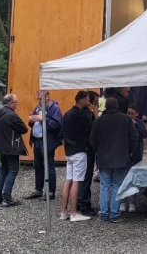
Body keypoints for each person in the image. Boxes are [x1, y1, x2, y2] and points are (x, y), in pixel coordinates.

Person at [89, 96, 139, 223]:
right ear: (117, 106)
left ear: (106, 106)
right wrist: (131, 152)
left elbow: (92, 141)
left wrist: (98, 151)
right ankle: (115, 213)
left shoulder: (99, 121)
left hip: (103, 158)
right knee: (117, 185)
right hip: (121, 157)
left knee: (104, 186)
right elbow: (134, 137)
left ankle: (104, 213)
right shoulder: (125, 119)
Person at [60, 91, 93, 222]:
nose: (89, 102)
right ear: (82, 100)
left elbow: (62, 134)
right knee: (77, 182)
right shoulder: (82, 115)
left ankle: (63, 211)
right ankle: (74, 212)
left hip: (69, 150)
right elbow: (91, 127)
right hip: (79, 150)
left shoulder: (66, 114)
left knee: (68, 180)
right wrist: (93, 114)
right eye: (88, 99)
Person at [26, 90, 61, 200]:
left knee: (49, 166)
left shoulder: (54, 108)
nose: (38, 100)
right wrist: (31, 120)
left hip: (47, 141)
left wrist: (43, 119)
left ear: (47, 97)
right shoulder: (38, 108)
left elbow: (56, 124)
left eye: (40, 98)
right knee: (38, 166)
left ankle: (50, 192)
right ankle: (38, 189)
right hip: (37, 140)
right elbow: (33, 123)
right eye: (37, 98)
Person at [0, 93, 27, 207]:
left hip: (1, 146)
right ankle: (7, 198)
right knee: (13, 170)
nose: (17, 104)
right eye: (16, 102)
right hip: (11, 147)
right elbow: (24, 129)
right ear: (10, 103)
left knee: (4, 170)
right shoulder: (12, 115)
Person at [77, 90, 100, 216]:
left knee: (80, 178)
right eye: (95, 102)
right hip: (86, 149)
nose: (97, 105)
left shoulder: (76, 113)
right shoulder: (87, 114)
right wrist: (95, 116)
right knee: (86, 178)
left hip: (78, 149)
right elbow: (93, 130)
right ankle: (84, 205)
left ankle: (80, 202)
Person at [125, 106, 147, 213]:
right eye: (128, 113)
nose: (130, 115)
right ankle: (122, 201)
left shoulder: (139, 122)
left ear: (137, 114)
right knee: (123, 178)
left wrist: (136, 124)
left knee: (134, 179)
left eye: (132, 113)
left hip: (136, 153)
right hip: (125, 154)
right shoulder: (123, 121)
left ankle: (132, 202)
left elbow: (145, 134)